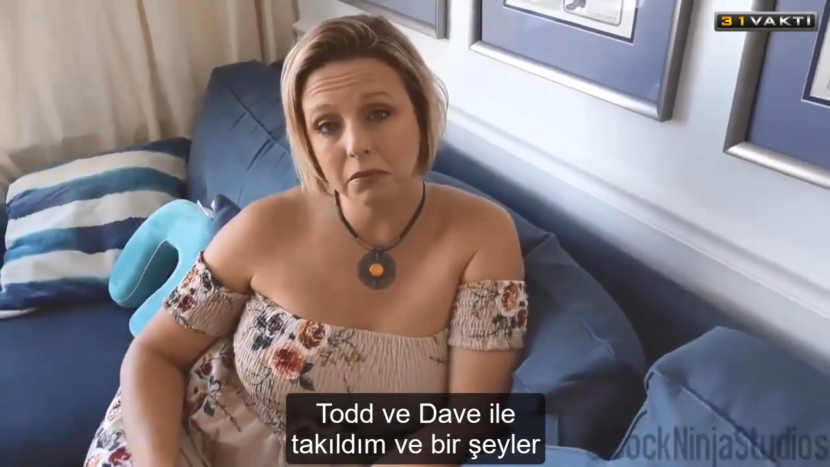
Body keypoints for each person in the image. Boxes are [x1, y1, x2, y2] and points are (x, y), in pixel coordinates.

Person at [84, 13, 528, 467]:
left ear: (420, 114)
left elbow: (468, 420)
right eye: (327, 125)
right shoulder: (264, 226)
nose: (355, 144)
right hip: (179, 439)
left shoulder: (481, 235)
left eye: (379, 114)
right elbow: (154, 352)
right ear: (308, 142)